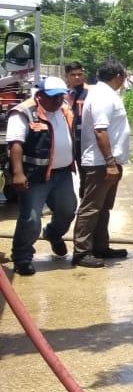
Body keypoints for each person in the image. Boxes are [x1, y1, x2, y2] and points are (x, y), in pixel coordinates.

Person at [5, 77, 78, 276]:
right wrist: (18, 173)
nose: (57, 101)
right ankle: (22, 258)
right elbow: (15, 145)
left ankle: (53, 234)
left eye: (60, 97)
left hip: (62, 174)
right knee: (31, 219)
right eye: (53, 97)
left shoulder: (64, 109)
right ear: (41, 95)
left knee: (68, 211)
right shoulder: (24, 112)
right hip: (34, 177)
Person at [72, 59, 131, 268]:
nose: (124, 80)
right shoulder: (103, 96)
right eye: (124, 76)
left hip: (108, 162)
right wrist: (109, 162)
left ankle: (100, 246)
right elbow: (100, 130)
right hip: (101, 163)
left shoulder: (105, 94)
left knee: (104, 208)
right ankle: (81, 252)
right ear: (118, 77)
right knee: (91, 208)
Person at [65, 61, 89, 174]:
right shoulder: (61, 94)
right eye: (73, 75)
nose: (77, 77)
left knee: (85, 175)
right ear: (66, 76)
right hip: (66, 140)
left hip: (83, 141)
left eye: (79, 74)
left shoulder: (89, 93)